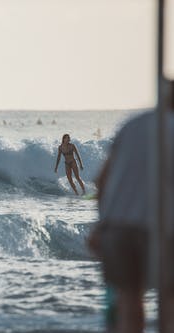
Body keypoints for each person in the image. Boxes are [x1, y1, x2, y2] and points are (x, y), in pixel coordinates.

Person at [88, 81, 174, 333]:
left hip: (118, 229)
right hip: (161, 228)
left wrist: (100, 226)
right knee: (169, 304)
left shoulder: (132, 124)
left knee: (128, 303)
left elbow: (101, 181)